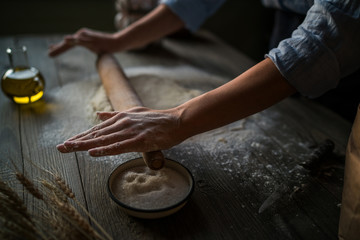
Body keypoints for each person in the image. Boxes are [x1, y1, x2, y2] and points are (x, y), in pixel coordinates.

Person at [50, 1, 359, 238]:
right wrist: (118, 42)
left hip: (349, 56)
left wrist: (179, 120)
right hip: (291, 19)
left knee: (329, 127)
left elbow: (330, 36)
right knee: (290, 107)